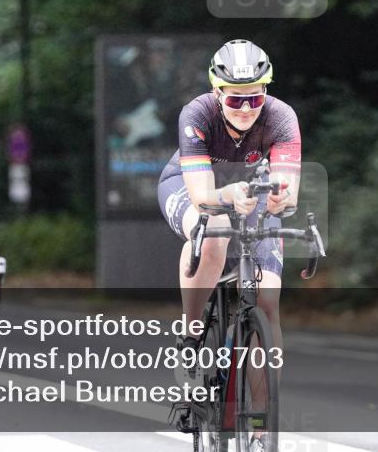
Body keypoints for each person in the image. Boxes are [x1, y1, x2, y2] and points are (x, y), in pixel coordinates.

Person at [157, 39, 301, 452]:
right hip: (192, 189)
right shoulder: (197, 113)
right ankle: (191, 329)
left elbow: (290, 191)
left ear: (266, 92)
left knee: (267, 299)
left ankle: (259, 430)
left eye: (254, 97)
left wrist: (280, 198)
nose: (245, 108)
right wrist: (229, 193)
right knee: (214, 228)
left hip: (252, 195)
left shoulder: (281, 118)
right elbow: (203, 196)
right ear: (217, 92)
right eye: (235, 99)